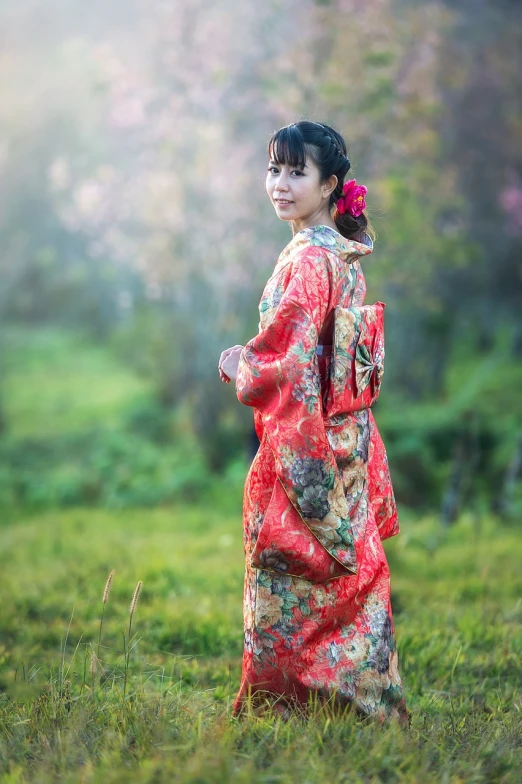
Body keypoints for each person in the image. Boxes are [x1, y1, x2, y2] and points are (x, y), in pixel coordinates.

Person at [218, 121, 408, 724]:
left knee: (291, 571)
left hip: (313, 440)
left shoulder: (308, 261)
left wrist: (242, 364)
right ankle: (356, 705)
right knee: (346, 577)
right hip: (347, 437)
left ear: (330, 184)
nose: (280, 183)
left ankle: (286, 709)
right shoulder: (342, 255)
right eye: (274, 168)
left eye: (297, 171)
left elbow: (292, 364)